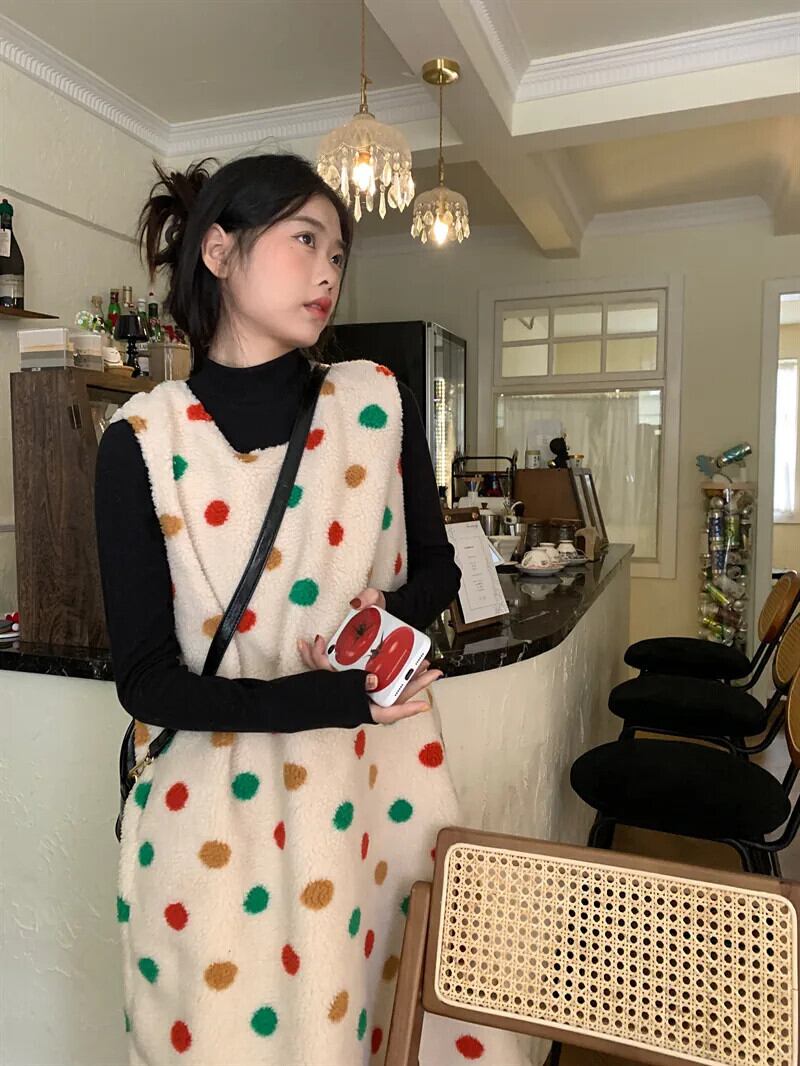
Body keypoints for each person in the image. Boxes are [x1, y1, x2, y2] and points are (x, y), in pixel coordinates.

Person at [95, 153, 529, 1065]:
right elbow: (146, 682)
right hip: (209, 827)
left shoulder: (375, 403)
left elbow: (440, 573)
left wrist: (386, 613)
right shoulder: (141, 441)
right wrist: (331, 697)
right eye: (304, 240)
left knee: (373, 1019)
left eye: (338, 252)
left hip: (366, 800)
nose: (328, 271)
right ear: (220, 251)